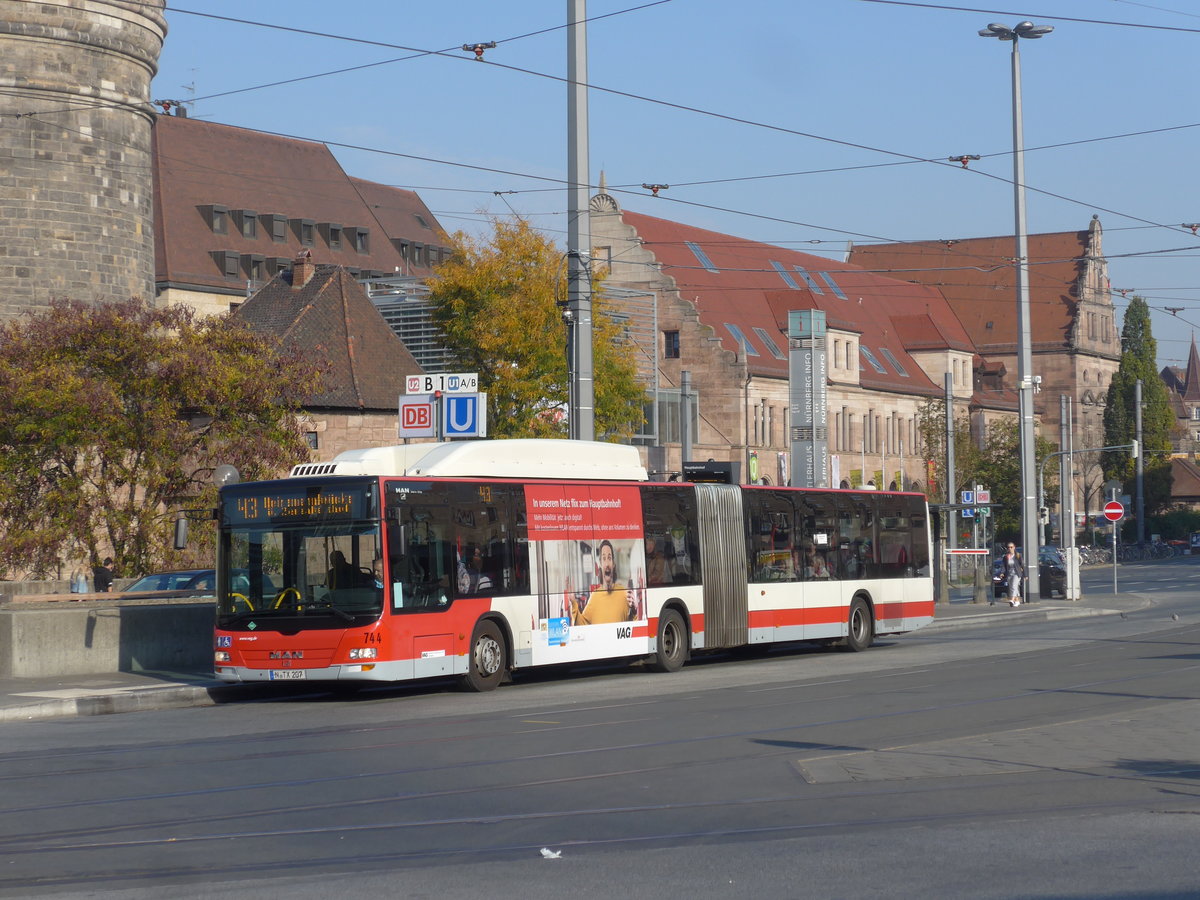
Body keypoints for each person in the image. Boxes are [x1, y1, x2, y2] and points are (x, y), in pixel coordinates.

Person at [572, 539, 635, 624]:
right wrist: (573, 602)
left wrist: (635, 609)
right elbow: (582, 624)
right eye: (604, 559)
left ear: (613, 564)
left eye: (609, 558)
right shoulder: (595, 597)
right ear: (600, 565)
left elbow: (635, 622)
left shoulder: (624, 594)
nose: (607, 564)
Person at [1000, 542, 1025, 607]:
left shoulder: (1018, 555)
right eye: (1008, 547)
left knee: (1014, 586)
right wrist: (1002, 572)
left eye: (1011, 547)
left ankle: (1012, 599)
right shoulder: (1006, 556)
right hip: (1009, 573)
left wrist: (1025, 575)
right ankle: (1017, 601)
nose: (1010, 548)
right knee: (1012, 588)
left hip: (1017, 573)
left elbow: (1022, 565)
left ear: (1014, 547)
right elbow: (1003, 565)